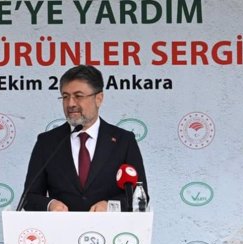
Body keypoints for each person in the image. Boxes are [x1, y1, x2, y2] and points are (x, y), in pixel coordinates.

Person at [20, 65, 148, 212]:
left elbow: (140, 194)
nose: (70, 104)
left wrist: (110, 206)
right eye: (65, 97)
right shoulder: (47, 142)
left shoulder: (124, 141)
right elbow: (30, 197)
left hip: (110, 226)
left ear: (98, 98)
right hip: (62, 226)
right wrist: (51, 204)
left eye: (78, 96)